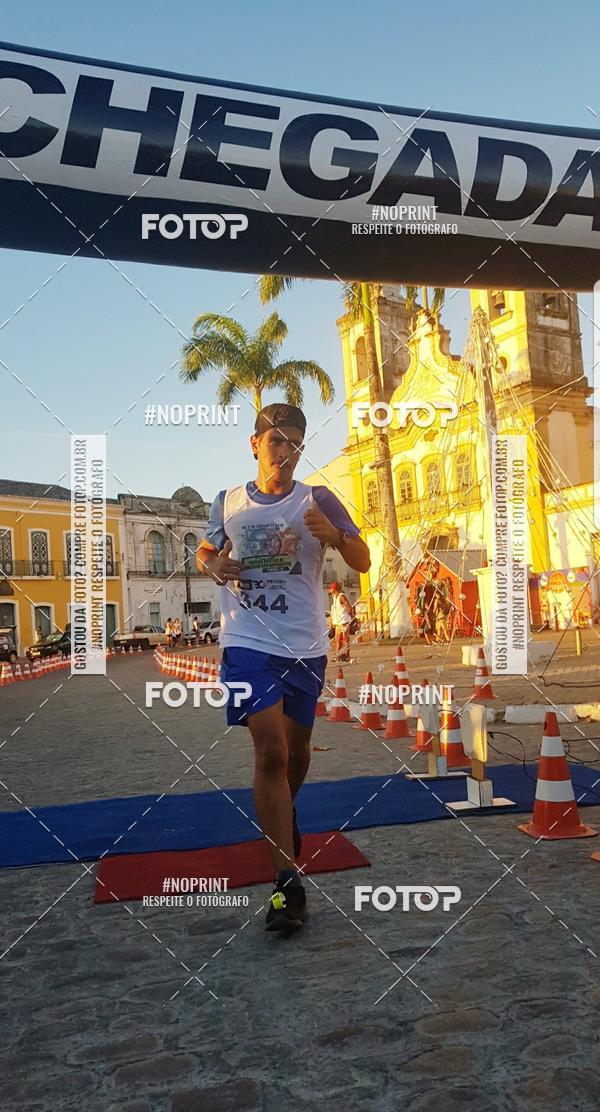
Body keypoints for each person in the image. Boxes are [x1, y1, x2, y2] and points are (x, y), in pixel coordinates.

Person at [196, 403, 370, 934]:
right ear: (255, 446)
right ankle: (286, 884)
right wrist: (213, 564)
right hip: (248, 642)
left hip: (306, 647)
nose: (286, 453)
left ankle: (282, 817)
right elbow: (205, 551)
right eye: (276, 443)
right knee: (269, 748)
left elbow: (363, 559)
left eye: (295, 444)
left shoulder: (317, 499)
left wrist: (335, 535)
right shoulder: (228, 501)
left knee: (295, 753)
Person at [329, 582, 353, 662]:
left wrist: (352, 618)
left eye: (331, 588)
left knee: (346, 639)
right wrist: (332, 623)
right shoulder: (334, 598)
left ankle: (347, 655)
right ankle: (338, 655)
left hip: (344, 622)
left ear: (334, 589)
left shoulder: (341, 597)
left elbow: (349, 608)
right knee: (337, 640)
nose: (330, 589)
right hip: (337, 623)